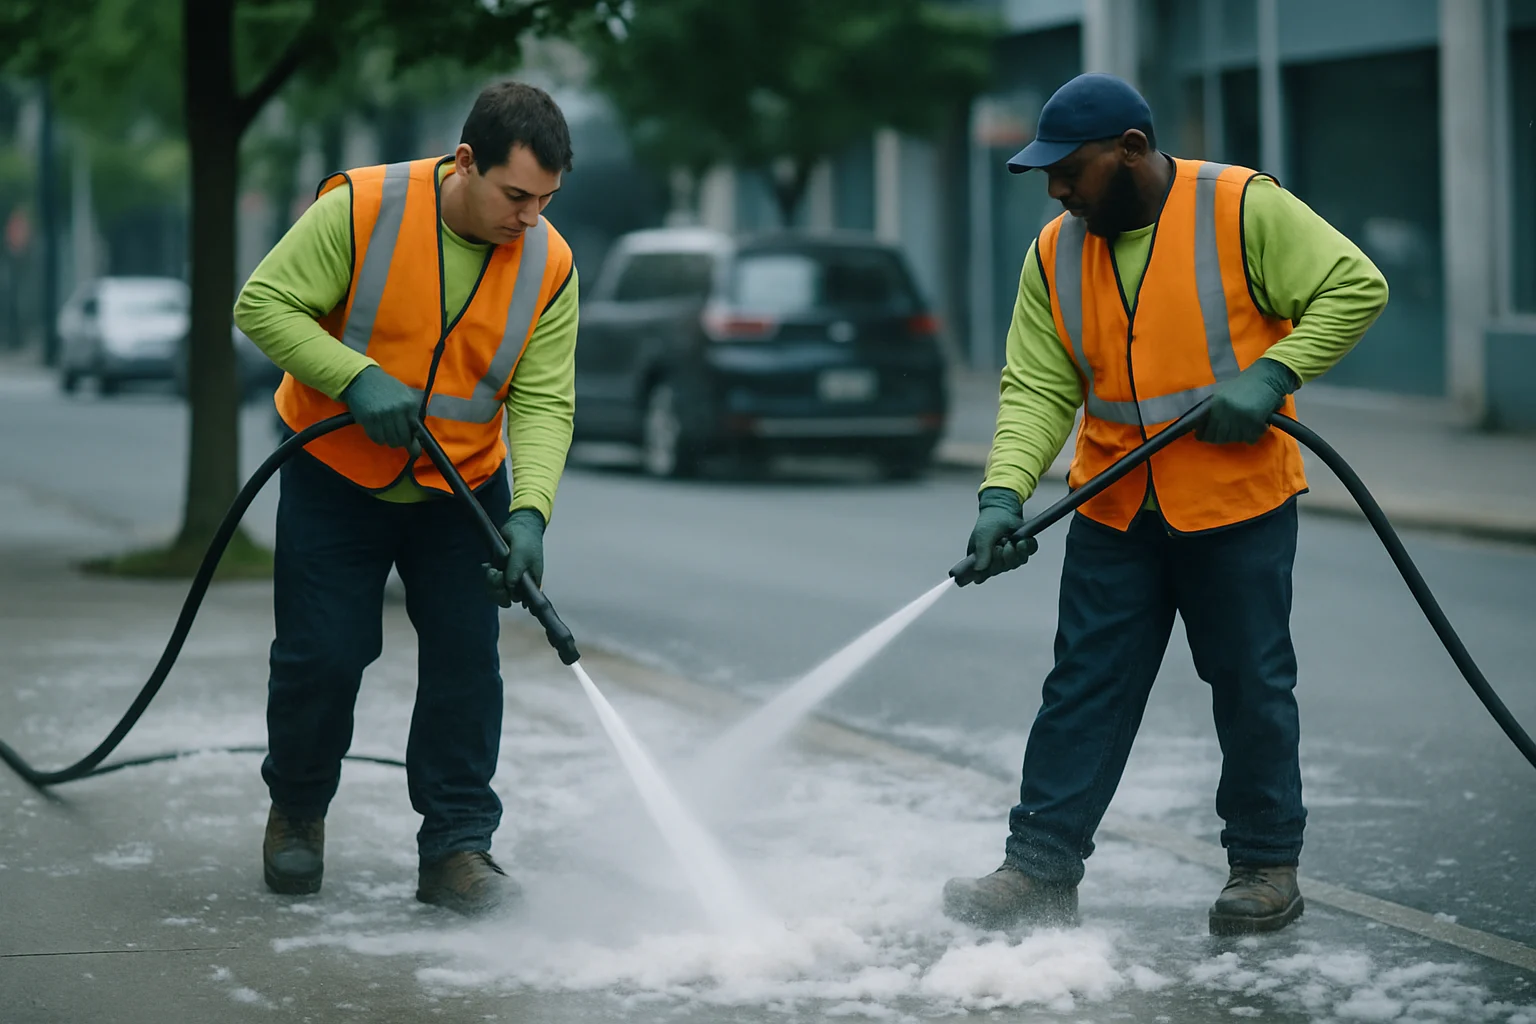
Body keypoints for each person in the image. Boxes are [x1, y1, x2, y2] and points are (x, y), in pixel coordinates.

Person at [941, 73, 1389, 936]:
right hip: (1114, 507)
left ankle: (1264, 867)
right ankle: (1038, 869)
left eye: (1070, 170)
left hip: (1235, 502)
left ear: (1132, 150)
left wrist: (1272, 372)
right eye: (1049, 178)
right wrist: (1003, 495)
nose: (1059, 191)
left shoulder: (1240, 206)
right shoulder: (1054, 252)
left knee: (1251, 684)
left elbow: (1353, 285)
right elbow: (1036, 385)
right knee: (1083, 686)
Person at [232, 81, 579, 917]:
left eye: (546, 200)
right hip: (337, 471)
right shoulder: (364, 207)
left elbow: (542, 399)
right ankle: (299, 813)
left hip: (462, 484)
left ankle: (457, 847)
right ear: (466, 162)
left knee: (468, 663)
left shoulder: (549, 261)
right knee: (324, 653)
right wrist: (355, 380)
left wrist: (527, 513)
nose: (529, 218)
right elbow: (262, 303)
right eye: (516, 195)